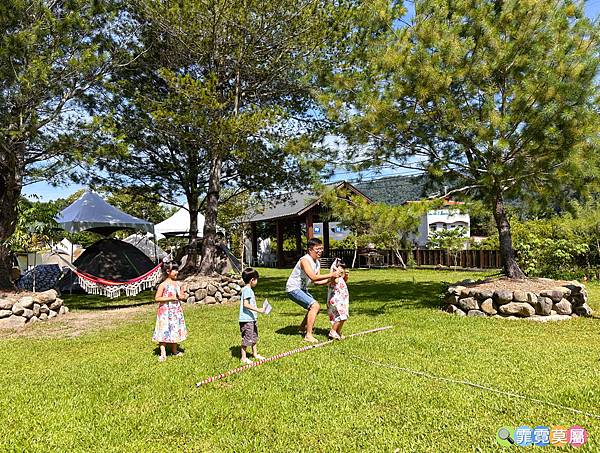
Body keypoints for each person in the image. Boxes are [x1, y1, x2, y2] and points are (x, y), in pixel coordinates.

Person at [285, 237, 342, 343]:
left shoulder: (317, 263)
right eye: (317, 249)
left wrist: (330, 280)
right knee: (314, 306)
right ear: (310, 250)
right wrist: (332, 274)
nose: (320, 251)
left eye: (321, 249)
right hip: (293, 288)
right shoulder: (305, 260)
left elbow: (316, 282)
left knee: (315, 307)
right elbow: (313, 277)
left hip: (302, 289)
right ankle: (308, 335)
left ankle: (302, 328)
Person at [152, 261, 188, 362]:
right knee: (164, 329)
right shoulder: (163, 285)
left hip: (175, 311)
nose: (177, 272)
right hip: (165, 312)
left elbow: (181, 296)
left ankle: (174, 350)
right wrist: (170, 297)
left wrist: (182, 294)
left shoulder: (177, 284)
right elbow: (157, 298)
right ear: (168, 271)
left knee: (174, 328)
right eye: (175, 270)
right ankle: (163, 353)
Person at [239, 267, 267, 364]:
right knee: (247, 338)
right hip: (246, 320)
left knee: (254, 336)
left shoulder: (249, 290)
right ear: (252, 280)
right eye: (256, 279)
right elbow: (245, 304)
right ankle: (243, 357)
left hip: (252, 319)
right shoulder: (247, 290)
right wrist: (258, 309)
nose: (257, 281)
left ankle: (255, 354)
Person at [326, 259, 349, 340]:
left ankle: (338, 331)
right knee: (340, 316)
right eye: (340, 268)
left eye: (343, 268)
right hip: (335, 300)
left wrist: (345, 276)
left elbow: (344, 281)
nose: (342, 270)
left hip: (342, 300)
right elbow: (334, 282)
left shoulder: (339, 277)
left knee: (344, 316)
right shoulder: (334, 277)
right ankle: (333, 331)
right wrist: (335, 272)